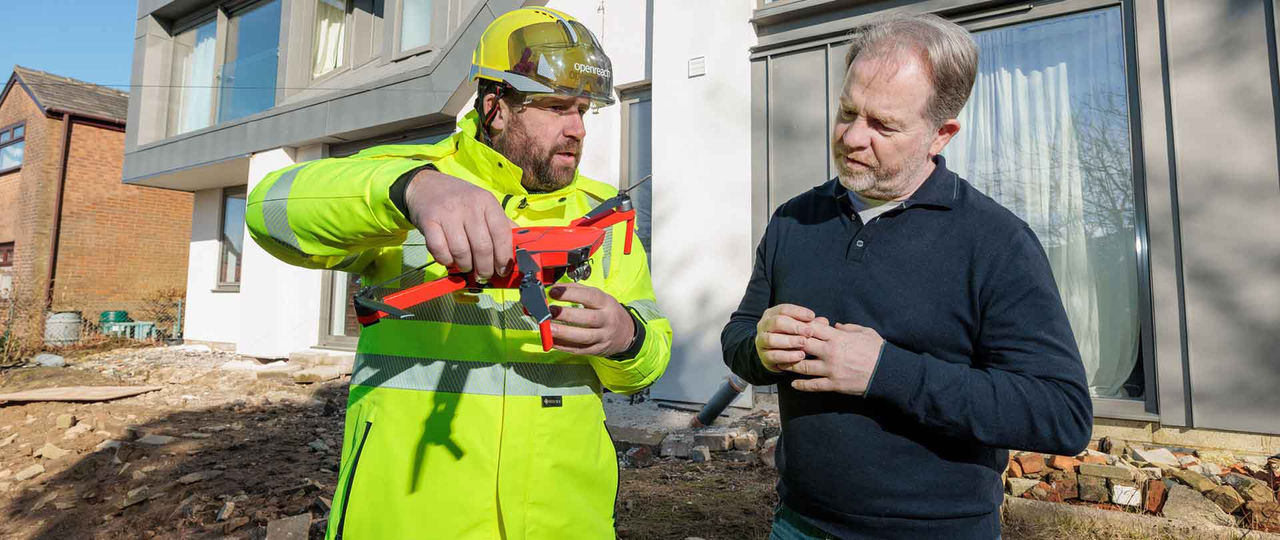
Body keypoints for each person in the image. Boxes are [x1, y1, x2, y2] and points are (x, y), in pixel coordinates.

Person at [246, 7, 672, 539]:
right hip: (409, 516)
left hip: (563, 519)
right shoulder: (407, 181)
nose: (577, 129)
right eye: (556, 107)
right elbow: (268, 212)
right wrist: (409, 192)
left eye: (584, 110)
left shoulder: (603, 216)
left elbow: (649, 361)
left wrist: (627, 338)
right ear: (496, 106)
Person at [721, 14, 1092, 539]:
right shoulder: (794, 220)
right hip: (798, 524)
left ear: (942, 134)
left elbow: (1061, 414)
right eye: (847, 111)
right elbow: (737, 337)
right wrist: (760, 348)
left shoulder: (996, 242)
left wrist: (884, 371)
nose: (852, 137)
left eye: (883, 125)